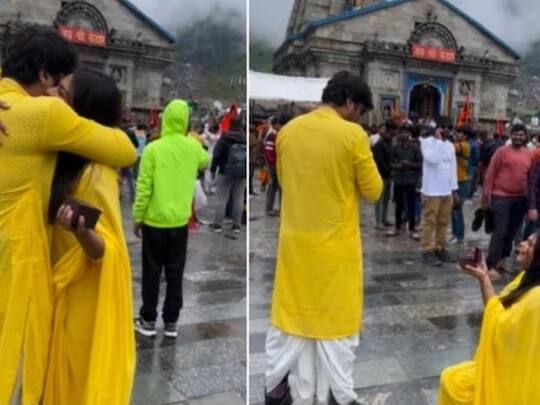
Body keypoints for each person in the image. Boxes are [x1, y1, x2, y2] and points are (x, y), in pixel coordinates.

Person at [0, 27, 136, 404]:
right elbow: (125, 149)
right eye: (57, 85)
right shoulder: (44, 115)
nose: (57, 95)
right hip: (16, 279)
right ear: (44, 75)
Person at [264, 71, 382, 405]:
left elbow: (285, 181)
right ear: (348, 102)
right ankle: (337, 395)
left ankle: (284, 389)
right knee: (335, 323)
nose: (359, 118)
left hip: (295, 245)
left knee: (294, 315)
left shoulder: (288, 131)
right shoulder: (353, 135)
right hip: (335, 250)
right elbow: (374, 191)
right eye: (359, 111)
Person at [43, 69, 135, 405]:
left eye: (63, 93)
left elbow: (107, 250)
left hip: (80, 299)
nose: (52, 93)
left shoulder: (96, 172)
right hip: (51, 289)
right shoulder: (57, 155)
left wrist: (82, 233)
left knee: (73, 384)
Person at [133, 99, 209, 338]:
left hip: (154, 222)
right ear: (186, 121)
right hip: (180, 222)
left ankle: (147, 319)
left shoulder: (153, 149)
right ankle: (171, 322)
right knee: (175, 273)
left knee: (152, 272)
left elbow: (143, 186)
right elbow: (206, 161)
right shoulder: (192, 147)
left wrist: (137, 217)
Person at [439, 231, 540, 404]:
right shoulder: (526, 277)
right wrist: (483, 276)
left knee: (454, 384)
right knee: (453, 379)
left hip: (518, 376)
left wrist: (484, 279)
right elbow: (498, 310)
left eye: (530, 244)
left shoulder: (536, 297)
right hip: (512, 365)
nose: (522, 244)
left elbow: (501, 327)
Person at [482, 124, 532, 278]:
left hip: (520, 198)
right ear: (511, 135)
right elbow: (490, 173)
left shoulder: (528, 154)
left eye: (521, 135)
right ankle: (491, 263)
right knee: (500, 230)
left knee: (511, 231)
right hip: (500, 196)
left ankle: (502, 260)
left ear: (525, 137)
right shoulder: (501, 152)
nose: (518, 137)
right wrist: (486, 196)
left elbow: (530, 178)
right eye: (515, 134)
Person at [420, 127, 459, 266]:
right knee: (429, 221)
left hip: (446, 190)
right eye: (443, 129)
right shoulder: (426, 143)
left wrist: (454, 190)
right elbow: (432, 159)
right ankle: (426, 250)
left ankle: (440, 247)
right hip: (431, 191)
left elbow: (453, 168)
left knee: (443, 221)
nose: (447, 131)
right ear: (437, 129)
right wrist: (438, 141)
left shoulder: (450, 145)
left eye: (449, 129)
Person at [209, 117, 246, 233]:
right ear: (240, 126)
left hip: (224, 172)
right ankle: (236, 226)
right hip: (241, 173)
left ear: (230, 125)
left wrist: (212, 170)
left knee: (222, 198)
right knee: (238, 199)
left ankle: (218, 225)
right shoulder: (244, 138)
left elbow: (216, 155)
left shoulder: (224, 138)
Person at [386, 124, 422, 240]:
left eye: (406, 132)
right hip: (399, 180)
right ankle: (397, 227)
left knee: (411, 205)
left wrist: (410, 164)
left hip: (411, 180)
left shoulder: (415, 148)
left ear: (409, 134)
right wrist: (399, 166)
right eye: (402, 132)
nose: (403, 135)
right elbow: (391, 163)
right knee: (398, 204)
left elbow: (420, 164)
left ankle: (412, 228)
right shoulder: (395, 148)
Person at [264, 114, 290, 216]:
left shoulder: (275, 134)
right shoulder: (272, 135)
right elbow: (269, 151)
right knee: (274, 186)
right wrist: (273, 164)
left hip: (276, 164)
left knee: (277, 187)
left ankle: (278, 208)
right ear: (276, 124)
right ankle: (270, 208)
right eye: (280, 125)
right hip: (274, 165)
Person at [450, 127, 471, 244]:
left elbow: (450, 148)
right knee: (453, 209)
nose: (458, 134)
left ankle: (459, 235)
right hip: (455, 179)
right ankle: (455, 233)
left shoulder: (464, 145)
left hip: (461, 180)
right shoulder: (459, 143)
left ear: (465, 136)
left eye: (460, 133)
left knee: (457, 209)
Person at [372, 119, 395, 229]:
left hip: (389, 175)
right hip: (381, 176)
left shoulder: (390, 144)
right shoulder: (378, 146)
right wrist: (390, 170)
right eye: (389, 133)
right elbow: (380, 162)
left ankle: (384, 218)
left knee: (387, 199)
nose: (391, 136)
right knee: (379, 200)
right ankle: (378, 222)